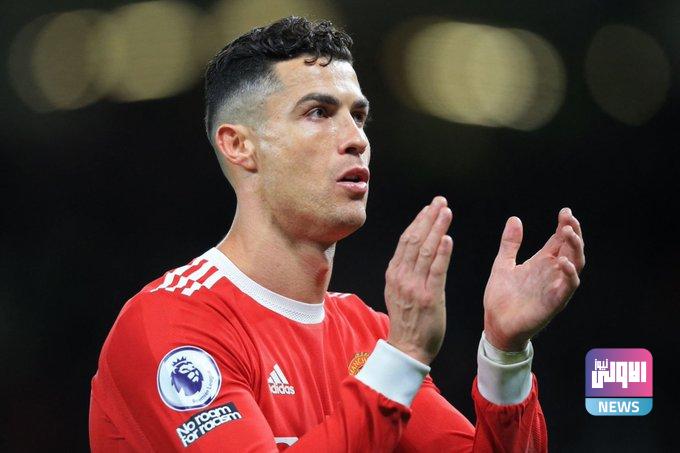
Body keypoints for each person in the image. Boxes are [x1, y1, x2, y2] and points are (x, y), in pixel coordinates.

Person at [89, 16, 585, 452]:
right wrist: (403, 358)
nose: (357, 139)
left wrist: (504, 353)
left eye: (359, 116)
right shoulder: (171, 323)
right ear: (239, 145)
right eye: (319, 113)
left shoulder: (366, 334)